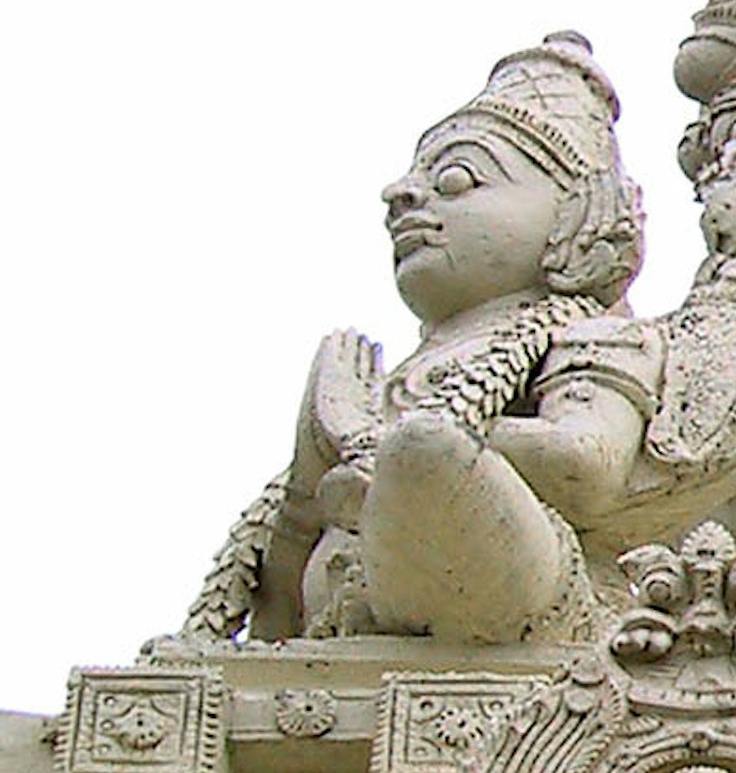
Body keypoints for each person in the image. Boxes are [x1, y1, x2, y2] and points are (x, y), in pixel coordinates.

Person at [192, 37, 660, 647]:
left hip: (517, 592)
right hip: (348, 607)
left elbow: (587, 463)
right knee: (408, 460)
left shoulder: (595, 335)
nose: (402, 195)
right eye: (413, 178)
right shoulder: (396, 376)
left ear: (579, 215)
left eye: (458, 179)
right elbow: (283, 583)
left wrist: (383, 440)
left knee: (427, 452)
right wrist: (315, 455)